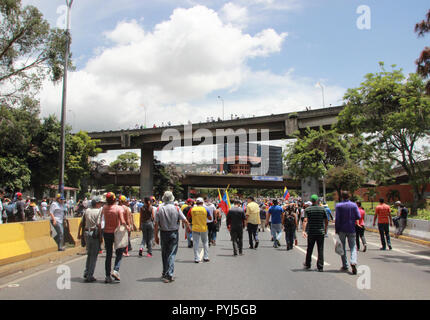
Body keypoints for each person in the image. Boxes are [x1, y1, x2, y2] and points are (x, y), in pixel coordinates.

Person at [154, 191, 190, 283]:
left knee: (164, 253)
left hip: (163, 233)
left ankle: (164, 272)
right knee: (172, 254)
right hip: (173, 233)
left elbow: (156, 224)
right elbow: (185, 220)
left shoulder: (159, 209)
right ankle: (169, 274)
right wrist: (188, 228)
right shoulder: (176, 208)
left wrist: (155, 236)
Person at [101, 192, 129, 283]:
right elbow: (122, 221)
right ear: (114, 199)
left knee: (108, 254)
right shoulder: (118, 208)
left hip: (106, 233)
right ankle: (116, 270)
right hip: (116, 233)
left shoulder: (104, 208)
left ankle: (107, 276)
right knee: (119, 252)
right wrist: (127, 227)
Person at [335, 192, 361, 275]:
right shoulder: (354, 205)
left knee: (342, 248)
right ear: (349, 196)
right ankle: (353, 261)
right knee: (353, 247)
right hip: (351, 228)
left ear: (341, 197)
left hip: (342, 229)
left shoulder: (338, 205)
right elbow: (358, 216)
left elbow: (337, 219)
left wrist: (336, 229)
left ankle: (345, 265)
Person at [78, 196, 103, 283]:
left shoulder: (87, 210)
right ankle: (90, 275)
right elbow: (99, 225)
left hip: (86, 233)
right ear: (96, 203)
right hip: (94, 233)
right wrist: (100, 237)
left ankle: (86, 271)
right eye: (100, 202)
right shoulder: (99, 211)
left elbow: (82, 223)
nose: (101, 204)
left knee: (89, 254)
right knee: (94, 256)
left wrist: (79, 234)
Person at [302, 194, 328, 272]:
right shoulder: (322, 209)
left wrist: (303, 231)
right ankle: (320, 266)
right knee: (320, 249)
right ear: (317, 200)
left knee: (309, 248)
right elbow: (326, 221)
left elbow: (305, 220)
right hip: (320, 232)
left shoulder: (308, 209)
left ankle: (308, 264)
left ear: (311, 201)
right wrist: (325, 229)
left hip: (311, 232)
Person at [188, 197, 212, 263]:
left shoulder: (192, 209)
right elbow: (210, 218)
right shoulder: (205, 209)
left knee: (195, 243)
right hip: (203, 228)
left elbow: (188, 217)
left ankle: (197, 258)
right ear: (202, 203)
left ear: (196, 203)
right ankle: (206, 257)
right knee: (205, 242)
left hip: (195, 227)